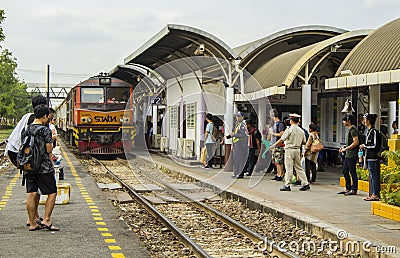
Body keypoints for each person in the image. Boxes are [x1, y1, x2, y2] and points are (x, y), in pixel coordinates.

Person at [5, 95, 47, 226]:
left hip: (13, 150)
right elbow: (30, 144)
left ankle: (35, 216)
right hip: (19, 152)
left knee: (34, 185)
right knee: (33, 187)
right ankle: (31, 219)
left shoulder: (28, 116)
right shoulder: (34, 120)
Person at [25, 104, 59, 231]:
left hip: (29, 166)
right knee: (52, 192)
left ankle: (33, 222)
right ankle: (46, 220)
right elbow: (49, 149)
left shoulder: (27, 129)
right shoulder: (45, 130)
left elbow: (25, 148)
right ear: (45, 116)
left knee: (31, 193)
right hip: (44, 166)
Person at [270, 114, 310, 191]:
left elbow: (282, 139)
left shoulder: (289, 130)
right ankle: (305, 183)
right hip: (297, 150)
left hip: (289, 150)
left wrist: (274, 145)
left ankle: (287, 185)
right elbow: (304, 142)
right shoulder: (301, 131)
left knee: (289, 168)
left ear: (291, 121)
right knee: (299, 168)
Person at [360, 114, 381, 201]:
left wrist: (365, 146)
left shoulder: (374, 132)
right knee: (371, 176)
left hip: (373, 157)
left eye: (365, 119)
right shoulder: (368, 131)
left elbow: (376, 146)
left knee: (374, 176)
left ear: (368, 121)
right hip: (368, 157)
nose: (363, 121)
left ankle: (375, 194)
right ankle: (373, 193)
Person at [338, 114, 359, 196]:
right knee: (345, 170)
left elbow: (356, 142)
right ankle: (348, 188)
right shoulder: (350, 129)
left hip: (352, 154)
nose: (343, 122)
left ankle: (354, 189)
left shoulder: (353, 130)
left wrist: (346, 149)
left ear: (348, 121)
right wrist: (345, 147)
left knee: (352, 172)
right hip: (348, 154)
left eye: (344, 120)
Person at [227, 112, 248, 179]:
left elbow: (243, 135)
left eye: (239, 116)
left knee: (240, 159)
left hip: (240, 144)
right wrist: (228, 137)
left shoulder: (242, 125)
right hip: (236, 144)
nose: (237, 118)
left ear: (242, 117)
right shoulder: (236, 125)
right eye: (237, 116)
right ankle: (236, 173)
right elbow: (233, 133)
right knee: (236, 159)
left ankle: (240, 174)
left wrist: (234, 135)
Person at [269, 109, 286, 181]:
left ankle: (280, 174)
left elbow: (282, 134)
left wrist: (273, 134)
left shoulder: (280, 124)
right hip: (274, 144)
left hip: (279, 145)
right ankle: (278, 174)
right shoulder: (274, 124)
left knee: (279, 161)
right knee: (276, 161)